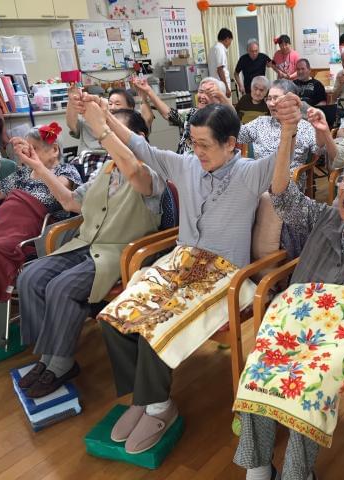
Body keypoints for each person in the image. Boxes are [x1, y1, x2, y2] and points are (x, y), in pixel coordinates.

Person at [93, 95, 299, 455]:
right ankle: (143, 398)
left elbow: (281, 172)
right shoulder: (185, 164)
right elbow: (139, 145)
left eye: (205, 144)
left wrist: (289, 130)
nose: (197, 151)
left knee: (157, 326)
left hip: (223, 276)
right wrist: (104, 119)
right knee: (115, 317)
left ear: (231, 144)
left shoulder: (250, 174)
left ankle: (160, 408)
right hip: (180, 263)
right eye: (194, 142)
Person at [233, 95, 344, 480]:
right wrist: (287, 134)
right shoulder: (325, 216)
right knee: (260, 364)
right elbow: (281, 195)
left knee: (312, 379)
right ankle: (259, 467)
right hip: (304, 311)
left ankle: (298, 473)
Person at [15, 107, 164, 399]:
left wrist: (103, 128)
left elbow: (133, 170)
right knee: (30, 276)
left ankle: (60, 364)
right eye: (103, 130)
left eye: (113, 131)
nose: (104, 138)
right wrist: (41, 168)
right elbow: (71, 202)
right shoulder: (106, 171)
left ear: (139, 138)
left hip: (118, 253)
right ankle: (46, 356)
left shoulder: (151, 173)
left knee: (61, 287)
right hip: (86, 244)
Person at [0, 123, 82, 302]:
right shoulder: (23, 173)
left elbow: (64, 195)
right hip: (4, 225)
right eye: (26, 150)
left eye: (33, 149)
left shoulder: (66, 171)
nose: (27, 155)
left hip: (30, 233)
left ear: (54, 149)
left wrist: (40, 168)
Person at [238, 79, 321, 175]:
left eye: (276, 98)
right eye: (269, 98)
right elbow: (237, 135)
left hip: (288, 180)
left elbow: (320, 150)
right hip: (258, 178)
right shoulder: (260, 122)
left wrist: (321, 131)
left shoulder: (305, 127)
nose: (271, 103)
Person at [134, 77, 228, 154]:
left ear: (219, 99)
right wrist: (149, 91)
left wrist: (223, 98)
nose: (202, 96)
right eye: (201, 91)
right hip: (182, 164)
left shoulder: (222, 120)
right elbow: (169, 114)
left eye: (209, 93)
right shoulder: (193, 113)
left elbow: (232, 121)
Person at [67, 86, 151, 152]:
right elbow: (72, 125)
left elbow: (148, 118)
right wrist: (72, 100)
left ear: (130, 108)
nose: (112, 107)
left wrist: (143, 97)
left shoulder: (132, 122)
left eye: (117, 104)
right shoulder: (91, 120)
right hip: (86, 162)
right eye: (110, 103)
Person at [208, 28, 233, 98]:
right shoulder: (220, 49)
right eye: (230, 41)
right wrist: (226, 88)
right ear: (227, 39)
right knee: (226, 108)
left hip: (215, 85)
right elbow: (220, 69)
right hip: (221, 87)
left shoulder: (213, 48)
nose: (230, 44)